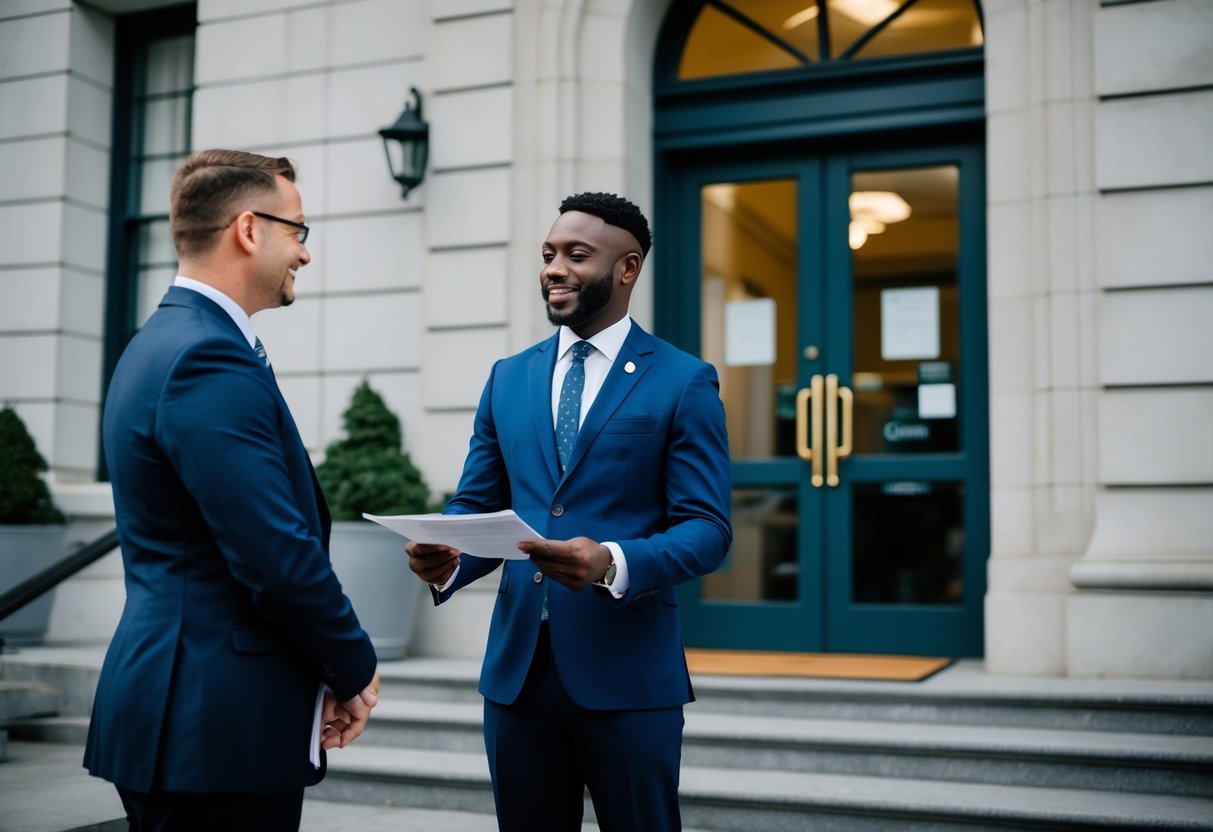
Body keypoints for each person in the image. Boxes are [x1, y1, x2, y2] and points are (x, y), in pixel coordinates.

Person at [407, 192, 732, 831]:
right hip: (517, 677)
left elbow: (708, 529)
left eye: (576, 256)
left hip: (630, 678)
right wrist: (446, 557)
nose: (553, 267)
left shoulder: (684, 380)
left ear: (628, 268)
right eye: (549, 253)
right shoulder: (507, 377)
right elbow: (477, 505)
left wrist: (612, 561)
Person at [85, 149, 380, 831]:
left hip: (191, 711)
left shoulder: (163, 339)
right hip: (211, 723)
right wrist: (351, 666)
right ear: (249, 229)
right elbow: (273, 552)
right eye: (298, 232)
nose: (304, 254)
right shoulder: (205, 355)